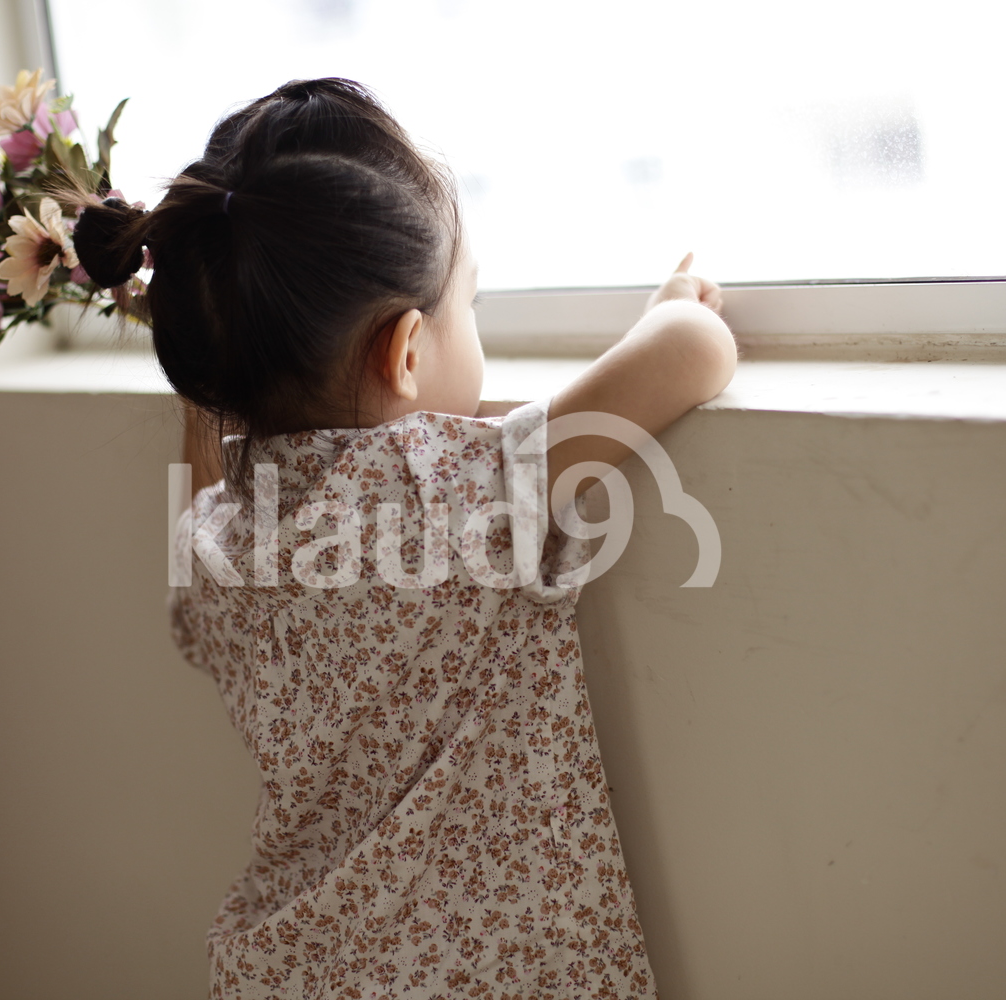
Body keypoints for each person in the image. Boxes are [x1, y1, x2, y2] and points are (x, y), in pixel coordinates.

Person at [73, 77, 735, 999]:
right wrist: (674, 300)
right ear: (408, 353)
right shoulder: (453, 495)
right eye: (470, 302)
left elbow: (215, 455)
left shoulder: (217, 542)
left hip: (285, 969)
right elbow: (693, 354)